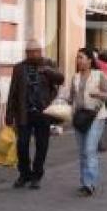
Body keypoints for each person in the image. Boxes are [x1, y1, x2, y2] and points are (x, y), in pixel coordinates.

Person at [6, 41, 65, 189]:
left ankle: (37, 175)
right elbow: (13, 91)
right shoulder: (19, 68)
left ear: (40, 51)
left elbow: (60, 79)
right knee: (22, 144)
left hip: (43, 112)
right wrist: (9, 114)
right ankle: (24, 173)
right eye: (30, 52)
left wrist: (46, 71)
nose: (33, 55)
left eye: (36, 51)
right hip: (24, 113)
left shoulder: (48, 63)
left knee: (42, 145)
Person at [68, 48, 107, 196]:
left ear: (89, 60)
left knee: (89, 149)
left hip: (96, 116)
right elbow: (71, 98)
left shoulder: (99, 75)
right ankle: (84, 182)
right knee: (82, 151)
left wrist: (99, 94)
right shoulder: (74, 77)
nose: (78, 60)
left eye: (81, 57)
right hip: (79, 117)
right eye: (77, 57)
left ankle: (90, 183)